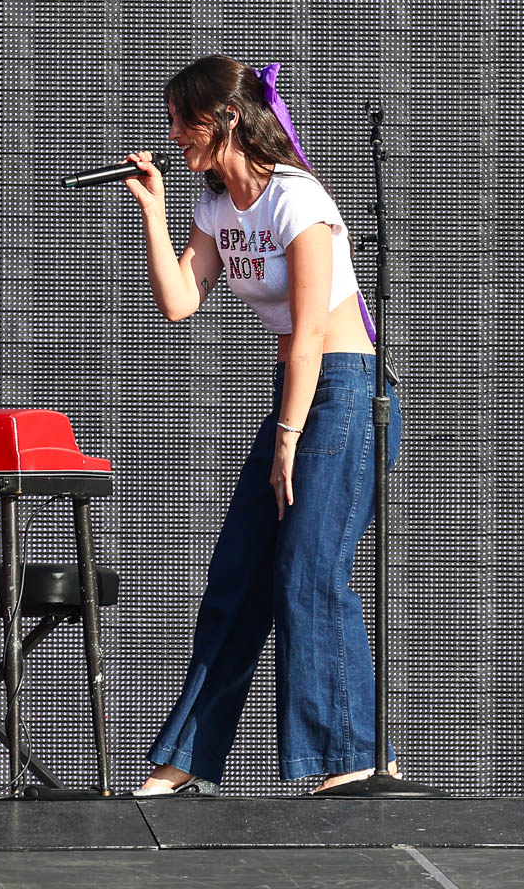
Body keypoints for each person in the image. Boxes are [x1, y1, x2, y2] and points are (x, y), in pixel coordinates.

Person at [122, 55, 399, 795]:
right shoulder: (216, 208)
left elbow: (310, 333)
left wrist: (286, 439)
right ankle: (185, 757)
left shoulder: (297, 199)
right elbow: (180, 300)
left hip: (343, 392)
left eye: (184, 118)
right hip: (298, 396)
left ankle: (352, 757)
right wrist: (152, 209)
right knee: (239, 573)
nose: (174, 133)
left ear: (227, 120)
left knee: (309, 569)